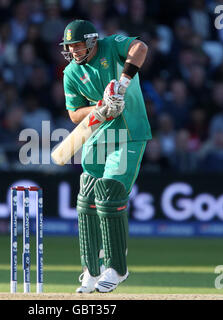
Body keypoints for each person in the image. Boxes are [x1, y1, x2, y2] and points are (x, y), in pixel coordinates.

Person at [59, 20, 151, 293]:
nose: (73, 51)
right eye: (69, 47)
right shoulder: (70, 72)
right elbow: (74, 114)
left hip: (130, 131)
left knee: (109, 192)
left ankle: (117, 268)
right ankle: (91, 269)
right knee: (87, 196)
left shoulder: (112, 45)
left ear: (91, 41)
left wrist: (122, 85)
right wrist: (98, 108)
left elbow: (141, 47)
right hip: (99, 134)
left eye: (77, 45)